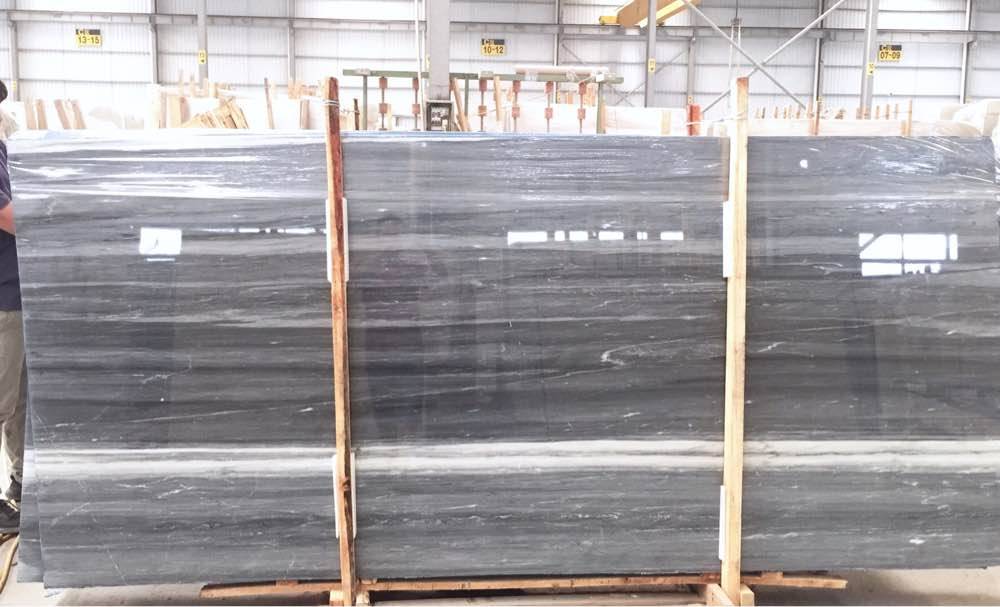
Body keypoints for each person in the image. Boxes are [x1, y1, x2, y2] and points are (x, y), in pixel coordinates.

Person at [0, 79, 25, 533]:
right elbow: (8, 217)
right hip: (3, 297)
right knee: (2, 399)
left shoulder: (3, 150)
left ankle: (22, 482)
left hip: (20, 293)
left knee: (20, 398)